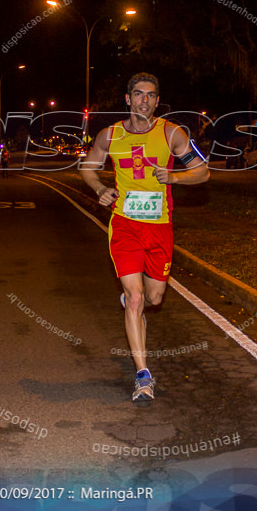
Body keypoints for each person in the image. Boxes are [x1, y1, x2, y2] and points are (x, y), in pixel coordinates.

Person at [79, 72, 209, 402]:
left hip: (159, 227)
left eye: (151, 95)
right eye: (138, 94)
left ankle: (134, 302)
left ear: (156, 100)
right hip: (124, 225)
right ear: (128, 98)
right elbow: (87, 167)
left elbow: (203, 171)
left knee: (154, 298)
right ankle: (143, 374)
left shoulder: (171, 133)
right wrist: (100, 189)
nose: (145, 100)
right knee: (135, 298)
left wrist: (176, 177)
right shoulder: (110, 135)